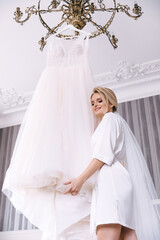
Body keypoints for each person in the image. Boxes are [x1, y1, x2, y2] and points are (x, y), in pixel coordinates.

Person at [64, 87, 160, 240]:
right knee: (126, 234)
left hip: (112, 182)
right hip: (118, 181)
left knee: (109, 232)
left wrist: (80, 180)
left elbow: (103, 155)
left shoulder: (109, 119)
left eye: (99, 100)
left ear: (111, 103)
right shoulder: (113, 121)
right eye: (92, 103)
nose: (95, 104)